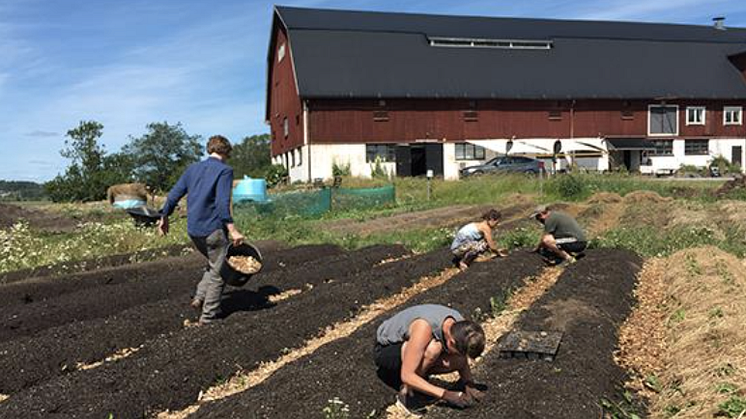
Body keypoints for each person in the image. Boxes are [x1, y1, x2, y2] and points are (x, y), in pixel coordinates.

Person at [158, 135, 245, 325]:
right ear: (226, 152)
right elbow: (223, 203)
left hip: (194, 230)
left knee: (213, 262)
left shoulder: (192, 169)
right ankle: (208, 316)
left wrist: (164, 216)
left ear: (210, 149)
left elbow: (173, 195)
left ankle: (199, 297)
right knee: (221, 271)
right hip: (213, 229)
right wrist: (233, 229)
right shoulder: (224, 171)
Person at [374, 304, 486, 415]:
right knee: (433, 349)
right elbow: (406, 375)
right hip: (387, 349)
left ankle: (420, 382)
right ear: (451, 341)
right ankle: (408, 394)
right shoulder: (424, 328)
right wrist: (446, 395)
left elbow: (462, 361)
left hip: (417, 348)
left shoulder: (460, 327)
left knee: (457, 360)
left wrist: (469, 384)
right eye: (460, 352)